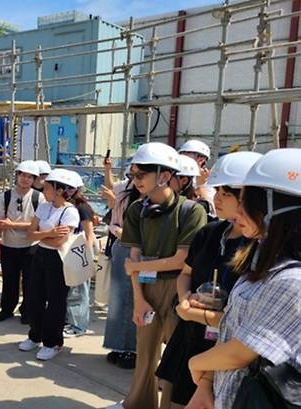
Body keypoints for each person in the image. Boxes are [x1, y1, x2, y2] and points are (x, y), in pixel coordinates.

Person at [187, 148, 301, 409]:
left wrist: (196, 363)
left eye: (247, 200)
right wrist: (207, 383)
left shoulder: (292, 280)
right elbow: (232, 331)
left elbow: (240, 353)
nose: (238, 207)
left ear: (277, 210)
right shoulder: (264, 260)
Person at [155, 152, 261, 408]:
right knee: (175, 398)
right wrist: (184, 300)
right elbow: (186, 273)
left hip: (226, 348)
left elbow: (250, 322)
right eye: (217, 192)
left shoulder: (261, 249)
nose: (217, 199)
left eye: (225, 194)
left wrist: (197, 315)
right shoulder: (210, 233)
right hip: (190, 335)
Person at [108, 142, 207, 409]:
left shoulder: (192, 211)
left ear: (164, 175)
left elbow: (181, 259)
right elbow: (134, 256)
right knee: (145, 354)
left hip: (179, 288)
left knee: (175, 357)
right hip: (147, 288)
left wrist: (137, 269)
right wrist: (138, 299)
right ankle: (138, 403)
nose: (135, 180)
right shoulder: (136, 210)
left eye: (142, 174)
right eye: (133, 174)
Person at [18, 169, 82, 361]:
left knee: (55, 302)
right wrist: (49, 233)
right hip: (40, 254)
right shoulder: (44, 207)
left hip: (58, 259)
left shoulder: (70, 212)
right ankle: (35, 335)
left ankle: (53, 342)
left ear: (60, 190)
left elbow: (59, 243)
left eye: (47, 186)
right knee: (34, 297)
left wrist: (43, 235)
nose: (43, 188)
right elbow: (30, 233)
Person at [0, 160, 45, 323]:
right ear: (17, 176)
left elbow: (40, 224)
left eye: (30, 177)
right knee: (9, 280)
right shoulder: (4, 197)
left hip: (31, 246)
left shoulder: (38, 198)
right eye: (23, 175)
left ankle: (27, 311)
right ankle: (7, 309)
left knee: (30, 282)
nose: (25, 179)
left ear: (34, 180)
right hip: (8, 245)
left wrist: (13, 225)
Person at [102, 161, 141, 370]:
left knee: (136, 300)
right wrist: (107, 170)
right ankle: (117, 345)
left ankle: (133, 349)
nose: (138, 180)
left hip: (139, 250)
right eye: (134, 174)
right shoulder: (125, 190)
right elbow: (111, 190)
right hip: (120, 246)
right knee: (118, 299)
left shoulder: (152, 198)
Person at [64, 176, 96, 338]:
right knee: (69, 287)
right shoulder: (64, 205)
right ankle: (68, 320)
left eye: (70, 188)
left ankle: (78, 325)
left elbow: (89, 233)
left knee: (79, 289)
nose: (67, 191)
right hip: (67, 249)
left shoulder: (82, 207)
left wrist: (86, 255)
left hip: (79, 250)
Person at [179, 139, 215, 215]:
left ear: (201, 160)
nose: (182, 157)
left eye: (186, 154)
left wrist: (200, 185)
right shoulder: (175, 175)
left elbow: (210, 209)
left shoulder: (210, 183)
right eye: (181, 153)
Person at [172, 154, 214, 219]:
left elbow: (208, 207)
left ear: (184, 181)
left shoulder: (194, 208)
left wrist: (201, 185)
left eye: (168, 177)